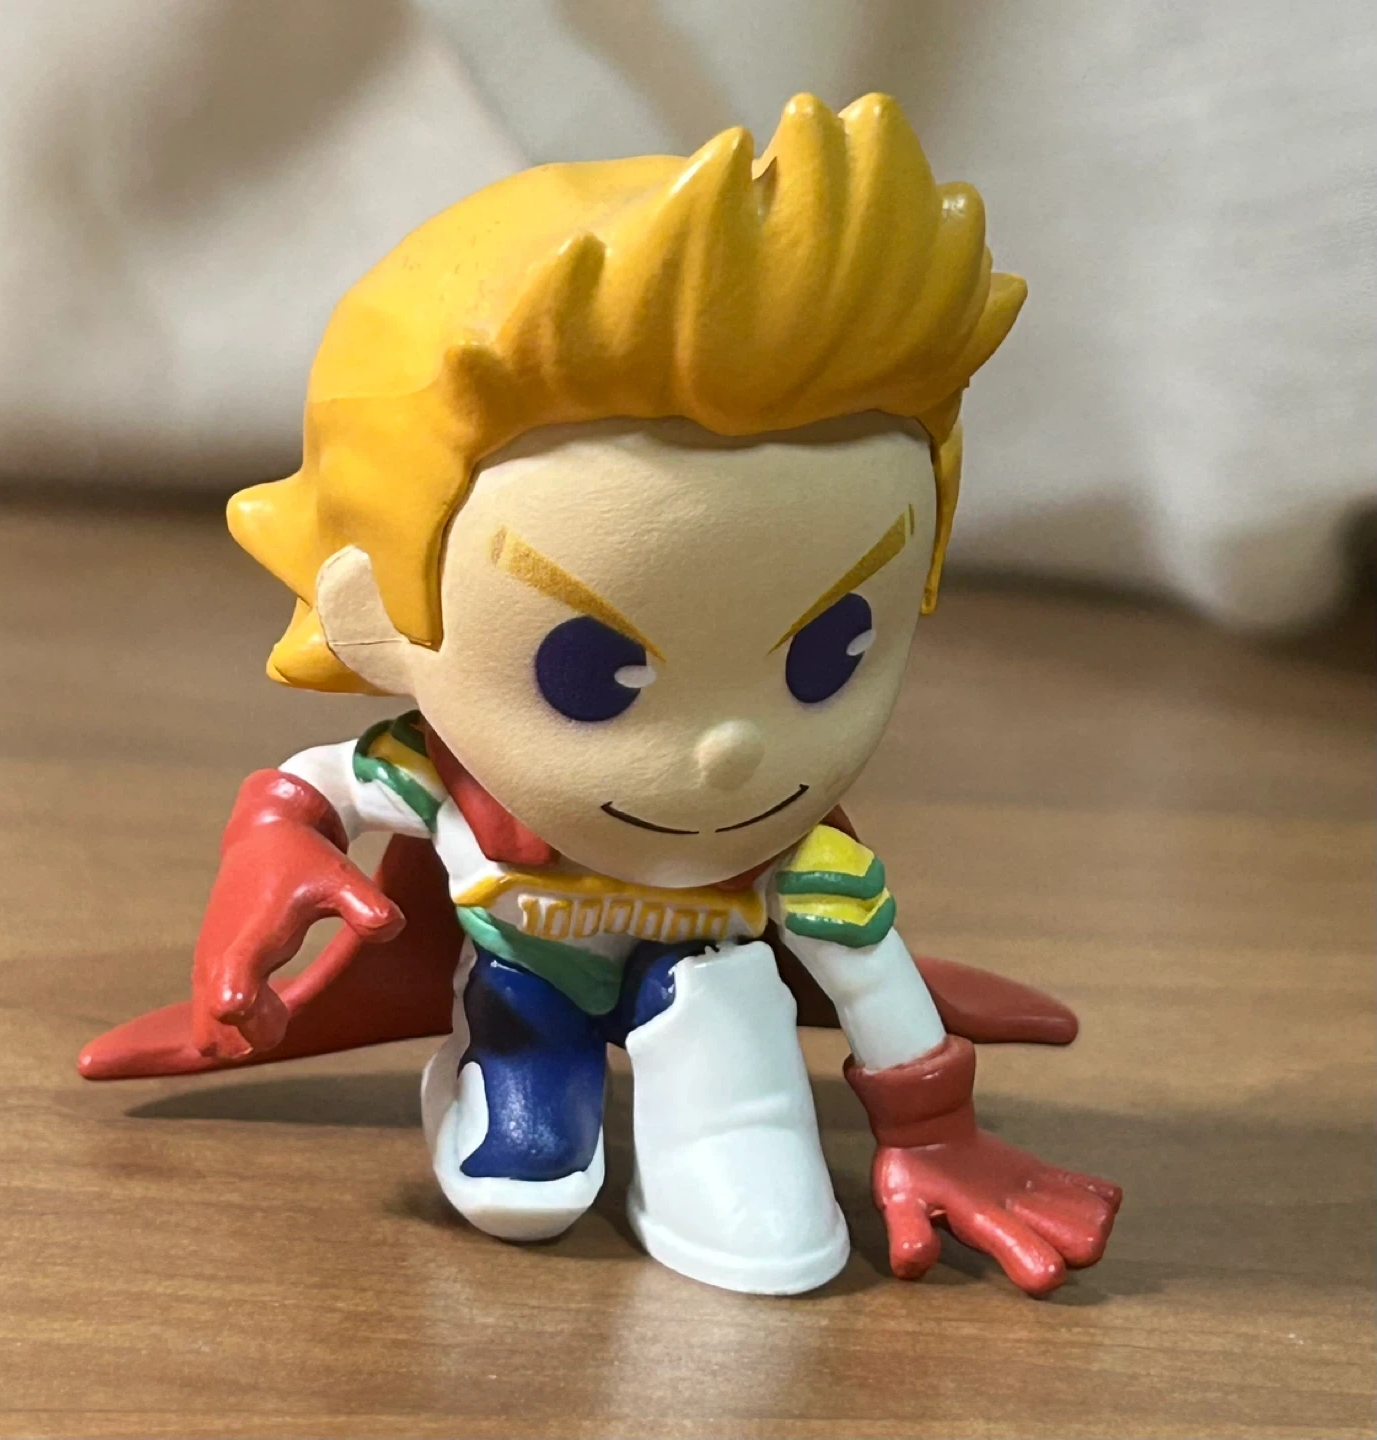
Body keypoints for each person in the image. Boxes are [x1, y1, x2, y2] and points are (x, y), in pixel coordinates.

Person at [81, 92, 1119, 1296]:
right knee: (520, 1193)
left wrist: (936, 1137)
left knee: (774, 1241)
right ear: (375, 617)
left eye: (831, 656)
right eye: (591, 674)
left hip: (715, 995)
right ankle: (512, 1097)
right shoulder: (456, 785)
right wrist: (270, 850)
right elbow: (310, 793)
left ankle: (709, 1140)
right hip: (526, 995)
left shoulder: (802, 860)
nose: (732, 753)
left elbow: (871, 974)